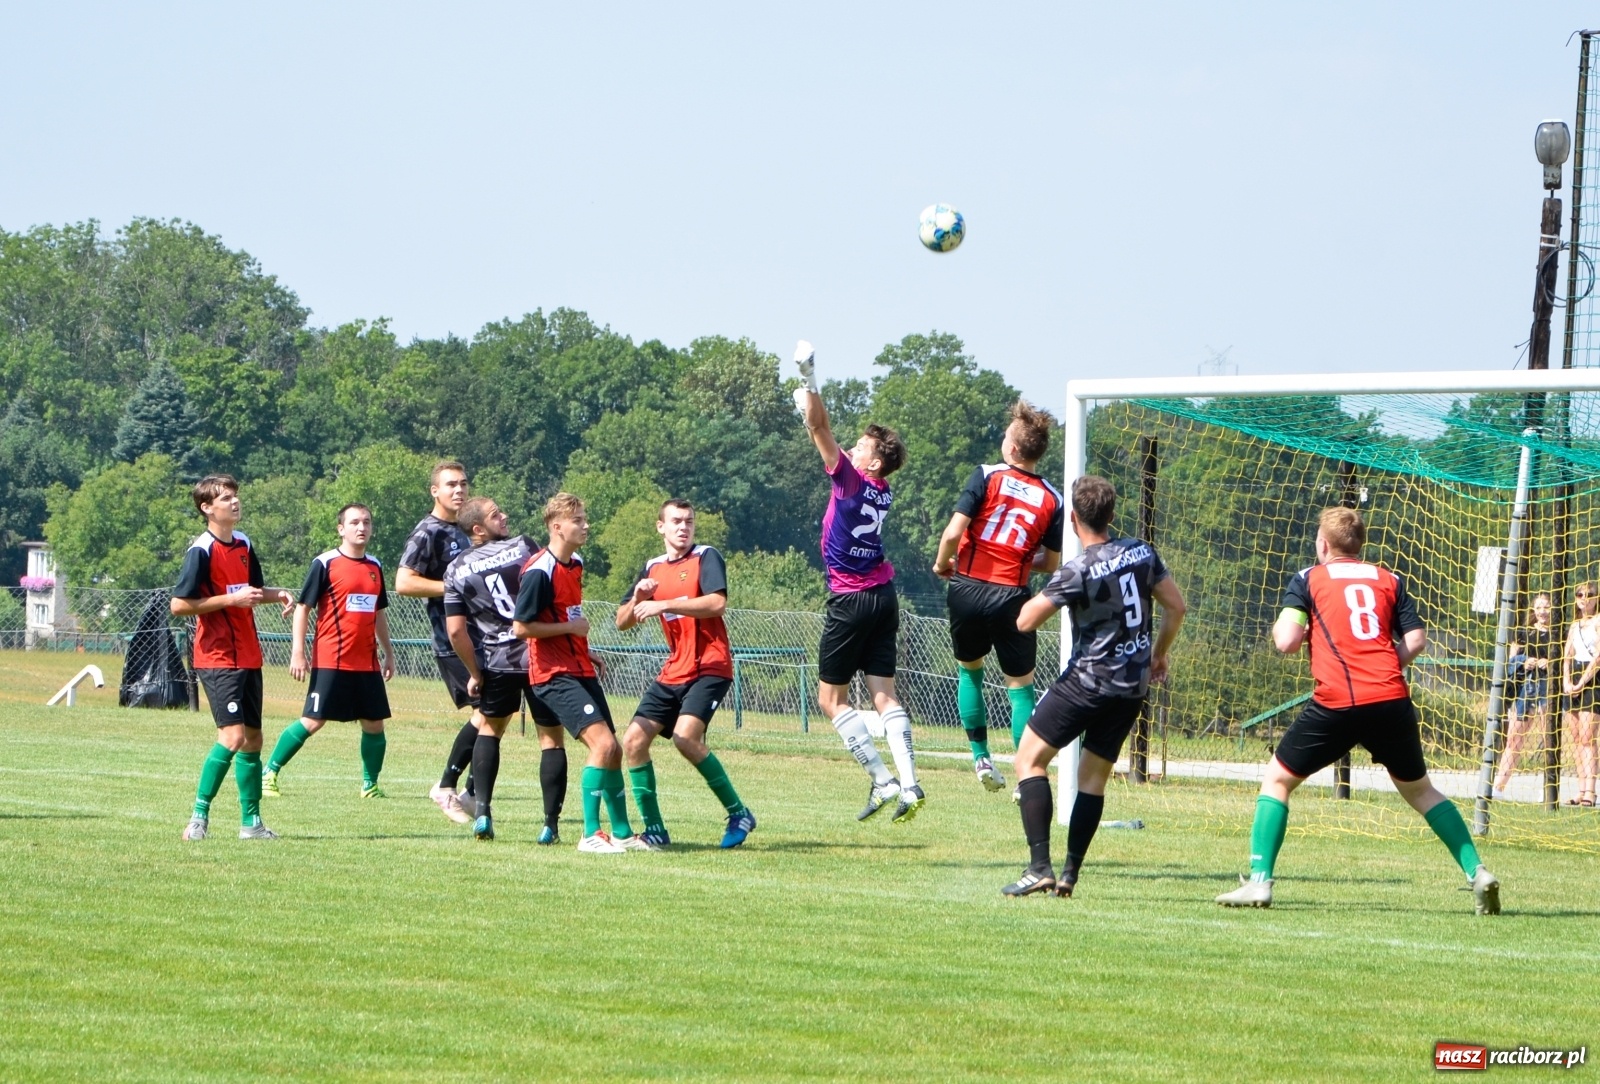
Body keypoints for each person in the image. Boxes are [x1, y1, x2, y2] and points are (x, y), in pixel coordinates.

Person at [1216, 506, 1501, 914]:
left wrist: (1288, 626)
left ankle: (1259, 882)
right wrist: (1382, 665)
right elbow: (1417, 640)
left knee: (1277, 779)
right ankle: (1477, 872)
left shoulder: (1308, 579)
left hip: (1338, 701)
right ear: (1360, 544)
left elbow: (1287, 642)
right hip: (1390, 698)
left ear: (1323, 544)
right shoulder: (1389, 579)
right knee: (1421, 791)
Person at [1002, 475, 1186, 898]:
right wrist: (1159, 653)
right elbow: (1176, 606)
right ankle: (1069, 874)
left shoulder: (1078, 570)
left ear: (1072, 521)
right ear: (1112, 514)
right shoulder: (1141, 551)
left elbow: (1026, 621)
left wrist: (1025, 589)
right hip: (1131, 686)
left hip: (1086, 683)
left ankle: (1039, 868)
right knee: (1092, 780)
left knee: (1028, 761)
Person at [791, 340, 923, 823]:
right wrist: (808, 409)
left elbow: (821, 429)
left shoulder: (850, 479)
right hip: (884, 596)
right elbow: (818, 431)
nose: (852, 447)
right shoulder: (880, 489)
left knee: (830, 699)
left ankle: (883, 780)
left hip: (850, 600)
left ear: (869, 463)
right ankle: (910, 784)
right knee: (884, 694)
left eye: (861, 447)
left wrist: (810, 381)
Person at [932, 399, 1064, 792]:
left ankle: (980, 758)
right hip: (1013, 597)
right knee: (1020, 687)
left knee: (970, 671)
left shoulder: (986, 475)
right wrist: (1020, 559)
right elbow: (1051, 562)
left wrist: (943, 563)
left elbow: (954, 533)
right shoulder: (1052, 499)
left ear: (1012, 448)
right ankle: (1027, 775)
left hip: (968, 588)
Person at [616, 499, 756, 849]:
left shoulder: (706, 556)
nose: (684, 527)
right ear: (660, 527)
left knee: (685, 738)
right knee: (632, 741)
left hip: (710, 665)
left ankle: (739, 813)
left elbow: (717, 602)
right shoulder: (651, 567)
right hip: (674, 669)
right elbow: (622, 622)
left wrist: (665, 603)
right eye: (676, 521)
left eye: (689, 521)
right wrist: (637, 598)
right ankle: (655, 831)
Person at [512, 492, 648, 853]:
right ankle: (590, 834)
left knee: (614, 750)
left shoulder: (576, 564)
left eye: (585, 518)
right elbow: (522, 628)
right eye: (578, 520)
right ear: (557, 527)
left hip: (579, 667)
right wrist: (571, 633)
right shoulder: (540, 571)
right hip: (552, 674)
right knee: (602, 745)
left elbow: (567, 617)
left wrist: (587, 650)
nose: (586, 525)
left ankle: (620, 832)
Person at [172, 475, 293, 841]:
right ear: (207, 508)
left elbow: (252, 591)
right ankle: (198, 817)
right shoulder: (202, 550)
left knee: (254, 738)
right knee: (232, 736)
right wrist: (230, 601)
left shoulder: (243, 543)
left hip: (249, 656)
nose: (235, 502)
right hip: (217, 656)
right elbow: (179, 605)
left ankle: (251, 824)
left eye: (236, 496)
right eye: (226, 498)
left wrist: (280, 594)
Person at [441, 496, 565, 842]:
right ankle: (549, 826)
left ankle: (482, 813)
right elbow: (552, 591)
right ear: (478, 528)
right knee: (551, 741)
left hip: (498, 661)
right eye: (497, 515)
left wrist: (475, 672)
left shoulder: (455, 570)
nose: (505, 516)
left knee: (490, 731)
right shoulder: (524, 546)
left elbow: (455, 631)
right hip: (541, 656)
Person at [264, 504, 395, 798]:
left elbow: (379, 613)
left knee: (374, 723)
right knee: (313, 720)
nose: (361, 528)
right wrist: (297, 651)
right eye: (354, 522)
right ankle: (269, 772)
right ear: (341, 529)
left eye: (367, 522)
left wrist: (388, 651)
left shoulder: (375, 566)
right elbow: (303, 608)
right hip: (331, 660)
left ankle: (370, 785)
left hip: (366, 662)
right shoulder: (325, 563)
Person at [395, 460, 480, 821]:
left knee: (497, 712)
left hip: (480, 637)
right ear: (435, 491)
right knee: (488, 711)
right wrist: (453, 587)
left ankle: (473, 793)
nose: (458, 490)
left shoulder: (465, 528)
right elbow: (404, 582)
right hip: (452, 639)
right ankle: (447, 788)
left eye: (462, 484)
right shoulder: (427, 532)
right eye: (451, 485)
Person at [1494, 593, 1555, 800]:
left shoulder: (1559, 634)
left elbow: (1567, 660)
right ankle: (1498, 787)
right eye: (1539, 607)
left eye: (1546, 607)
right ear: (1533, 610)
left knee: (1549, 740)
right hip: (1526, 690)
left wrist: (1550, 663)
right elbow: (1510, 662)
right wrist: (1524, 661)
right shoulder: (1523, 633)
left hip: (1549, 689)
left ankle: (1549, 788)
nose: (1543, 611)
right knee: (1514, 739)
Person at [1560, 581, 1599, 807]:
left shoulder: (1598, 622)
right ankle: (1580, 789)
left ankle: (1590, 792)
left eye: (1590, 594)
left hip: (1592, 678)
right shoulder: (1574, 625)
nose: (1585, 598)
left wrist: (1582, 682)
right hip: (1573, 677)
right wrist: (1567, 680)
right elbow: (1567, 655)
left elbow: (1598, 657)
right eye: (1581, 594)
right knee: (1576, 738)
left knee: (1588, 738)